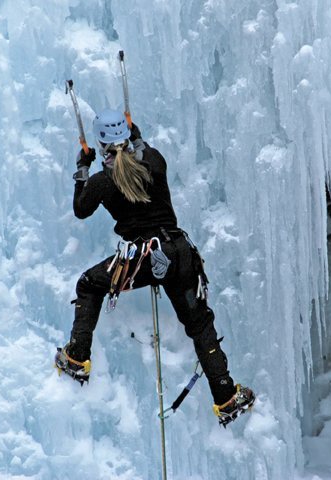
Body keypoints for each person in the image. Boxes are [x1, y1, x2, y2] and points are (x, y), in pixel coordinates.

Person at [55, 109, 254, 426]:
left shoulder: (102, 181)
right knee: (200, 325)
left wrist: (82, 166)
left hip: (142, 258)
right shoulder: (156, 160)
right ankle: (227, 397)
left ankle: (77, 357)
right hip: (180, 253)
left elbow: (81, 209)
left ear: (101, 143)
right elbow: (143, 153)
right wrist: (137, 136)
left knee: (89, 284)